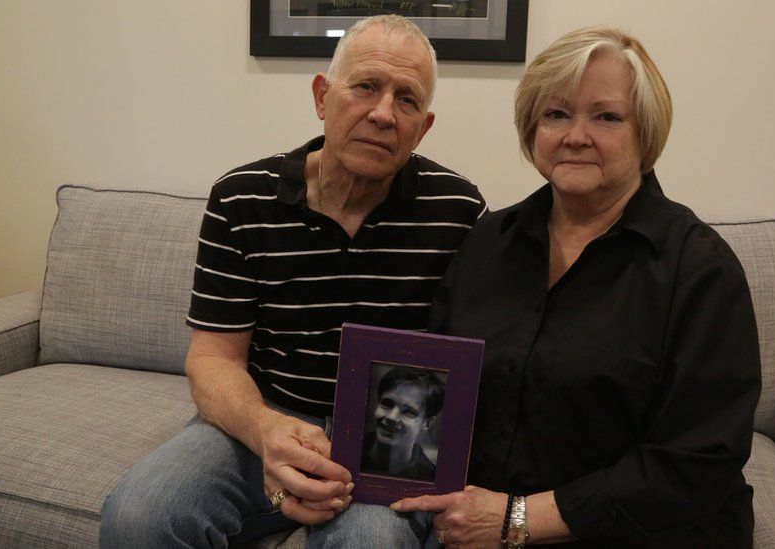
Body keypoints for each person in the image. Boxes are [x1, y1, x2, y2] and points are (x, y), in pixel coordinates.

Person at [98, 14, 485, 548]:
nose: (382, 113)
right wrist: (267, 431)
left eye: (407, 100)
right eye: (366, 87)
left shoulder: (458, 211)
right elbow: (213, 357)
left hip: (382, 435)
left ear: (424, 125)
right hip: (267, 413)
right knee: (140, 514)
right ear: (323, 97)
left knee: (372, 543)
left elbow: (459, 374)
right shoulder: (241, 198)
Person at [393, 26, 762, 548]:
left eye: (607, 116)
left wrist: (516, 519)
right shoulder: (487, 242)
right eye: (557, 113)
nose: (576, 135)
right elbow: (436, 390)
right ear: (533, 129)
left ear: (645, 134)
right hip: (479, 522)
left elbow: (698, 461)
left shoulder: (699, 271)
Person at [361, 366, 445, 481]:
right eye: (387, 404)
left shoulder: (431, 477)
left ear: (427, 423)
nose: (391, 417)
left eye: (408, 412)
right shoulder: (348, 453)